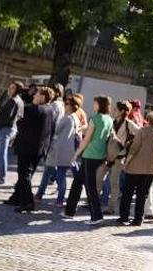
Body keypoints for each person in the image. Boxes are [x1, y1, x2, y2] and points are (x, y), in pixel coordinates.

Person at [63, 96, 114, 224]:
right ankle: (69, 211)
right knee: (77, 182)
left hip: (90, 155)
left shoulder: (95, 118)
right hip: (100, 155)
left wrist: (76, 154)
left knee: (90, 187)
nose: (94, 105)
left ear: (100, 105)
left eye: (95, 103)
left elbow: (87, 139)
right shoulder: (109, 119)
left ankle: (96, 216)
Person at [7, 85, 57, 212]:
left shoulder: (33, 109)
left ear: (43, 97)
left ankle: (28, 202)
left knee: (24, 174)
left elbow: (20, 124)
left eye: (37, 94)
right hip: (40, 148)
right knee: (27, 174)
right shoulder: (51, 110)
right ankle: (16, 197)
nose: (34, 95)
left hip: (27, 147)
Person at [119, 111, 153, 226]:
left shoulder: (142, 131)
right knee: (142, 195)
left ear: (148, 120)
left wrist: (126, 163)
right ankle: (138, 219)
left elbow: (134, 149)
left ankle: (124, 217)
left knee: (128, 193)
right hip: (151, 170)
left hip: (135, 168)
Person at [36, 95, 81, 207]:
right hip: (66, 150)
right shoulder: (75, 117)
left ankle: (57, 199)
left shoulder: (67, 118)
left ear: (70, 106)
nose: (65, 106)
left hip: (58, 150)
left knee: (57, 175)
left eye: (66, 104)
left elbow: (56, 130)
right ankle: (41, 195)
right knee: (54, 173)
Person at [104, 101, 138, 214]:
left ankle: (110, 208)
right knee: (99, 179)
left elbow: (140, 133)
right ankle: (97, 202)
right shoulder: (112, 122)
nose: (113, 111)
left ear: (122, 111)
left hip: (119, 157)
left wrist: (129, 146)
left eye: (115, 109)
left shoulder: (129, 124)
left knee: (114, 183)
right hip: (107, 156)